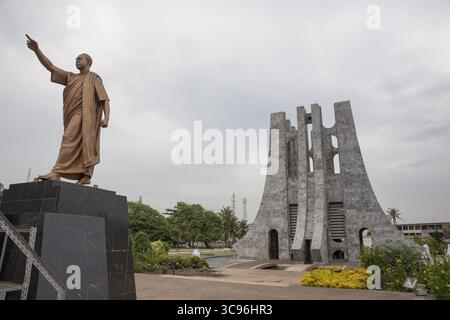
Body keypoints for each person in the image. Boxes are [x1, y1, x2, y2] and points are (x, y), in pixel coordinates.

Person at [26, 34, 110, 185]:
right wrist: (37, 51)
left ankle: (56, 171)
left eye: (80, 58)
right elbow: (50, 67)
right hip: (71, 115)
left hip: (85, 116)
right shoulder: (71, 77)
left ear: (88, 62)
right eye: (76, 59)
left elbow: (104, 99)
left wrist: (106, 118)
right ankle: (85, 175)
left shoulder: (94, 78)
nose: (77, 61)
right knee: (71, 139)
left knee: (68, 139)